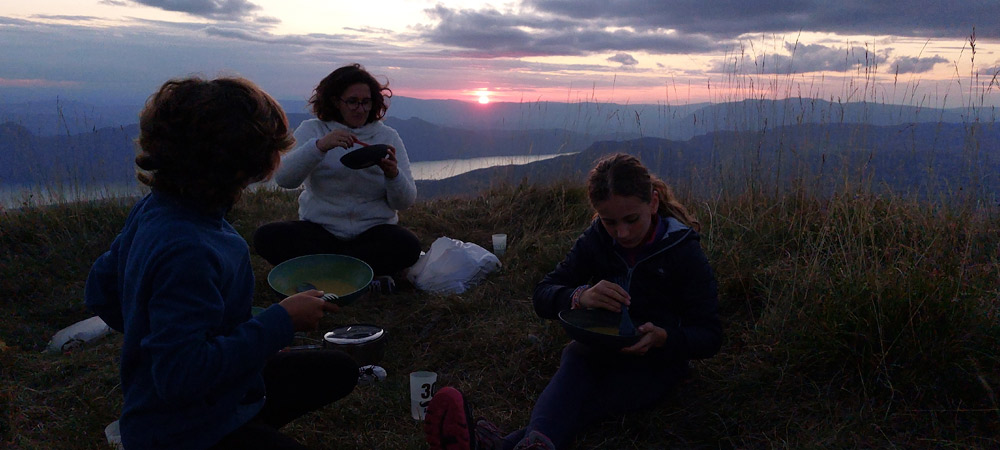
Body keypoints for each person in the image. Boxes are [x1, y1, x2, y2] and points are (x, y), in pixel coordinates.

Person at [85, 76, 366, 450]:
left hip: (207, 396)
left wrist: (162, 332)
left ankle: (247, 412)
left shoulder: (156, 208)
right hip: (184, 432)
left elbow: (101, 290)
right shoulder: (190, 249)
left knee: (337, 370)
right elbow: (179, 378)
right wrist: (280, 322)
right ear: (242, 164)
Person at [424, 153, 722, 450]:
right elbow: (543, 293)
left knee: (578, 399)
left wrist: (664, 338)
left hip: (657, 364)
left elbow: (710, 335)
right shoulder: (597, 239)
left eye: (632, 219)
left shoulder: (682, 251)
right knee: (577, 356)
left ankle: (501, 445)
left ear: (653, 202)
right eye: (609, 222)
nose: (622, 233)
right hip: (599, 352)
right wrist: (579, 296)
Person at [253, 63, 421, 289]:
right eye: (352, 101)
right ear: (335, 101)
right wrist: (319, 147)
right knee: (267, 237)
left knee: (408, 245)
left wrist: (394, 175)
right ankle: (364, 273)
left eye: (366, 101)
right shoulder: (313, 130)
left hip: (373, 231)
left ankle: (327, 271)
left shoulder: (387, 136)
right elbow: (284, 179)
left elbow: (405, 201)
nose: (360, 109)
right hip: (321, 230)